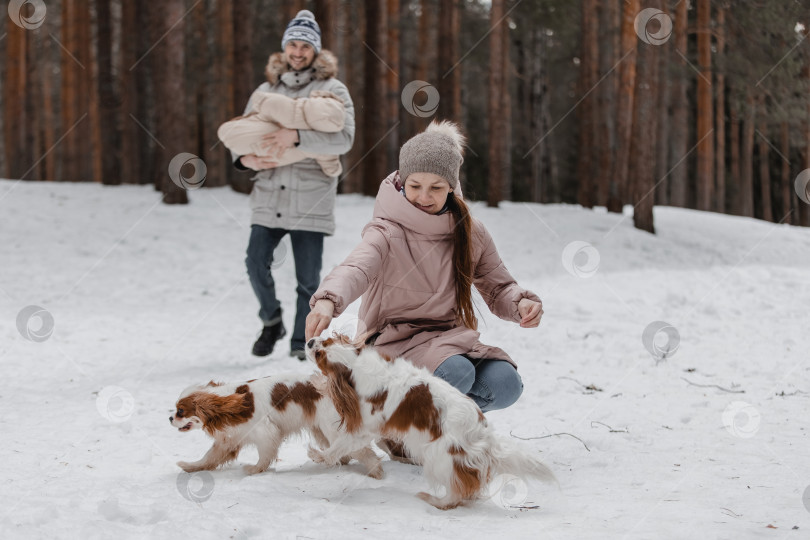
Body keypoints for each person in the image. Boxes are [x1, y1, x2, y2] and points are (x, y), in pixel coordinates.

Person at [305, 121, 543, 412]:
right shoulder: (386, 230)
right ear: (403, 181)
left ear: (451, 188)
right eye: (415, 186)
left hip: (449, 339)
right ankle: (401, 432)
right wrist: (328, 300)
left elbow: (499, 285)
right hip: (392, 342)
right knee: (456, 372)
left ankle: (430, 429)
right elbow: (357, 267)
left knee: (506, 383)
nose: (424, 197)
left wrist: (520, 303)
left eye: (436, 188)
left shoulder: (470, 231)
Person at [233, 10, 355, 359]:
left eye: (305, 46)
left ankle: (302, 340)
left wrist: (296, 137)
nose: (298, 52)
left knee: (307, 279)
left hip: (311, 196)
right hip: (269, 193)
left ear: (315, 50)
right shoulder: (265, 89)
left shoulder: (334, 90)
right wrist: (244, 160)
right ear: (284, 48)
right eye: (293, 45)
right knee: (255, 262)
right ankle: (271, 320)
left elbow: (344, 139)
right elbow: (244, 134)